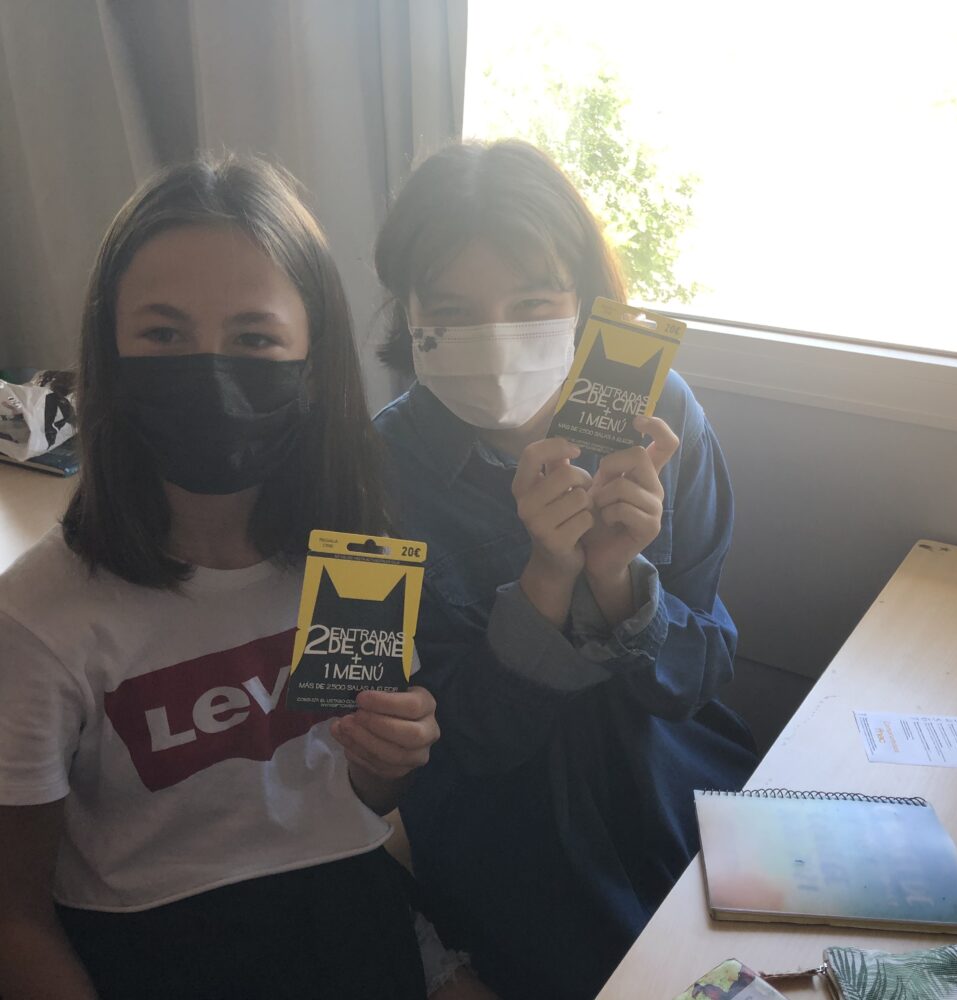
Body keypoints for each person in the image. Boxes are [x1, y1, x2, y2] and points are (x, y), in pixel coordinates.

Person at [0, 155, 441, 1000]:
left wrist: (394, 756)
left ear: (313, 359)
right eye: (164, 336)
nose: (210, 370)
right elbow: (13, 915)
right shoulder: (36, 621)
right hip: (147, 941)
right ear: (108, 350)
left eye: (254, 339)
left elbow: (362, 794)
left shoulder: (358, 563)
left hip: (344, 909)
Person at [372, 139, 759, 1000]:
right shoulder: (380, 474)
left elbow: (702, 672)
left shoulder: (662, 416)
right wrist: (548, 581)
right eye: (453, 312)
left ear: (583, 303)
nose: (496, 341)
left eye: (532, 305)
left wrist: (620, 583)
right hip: (511, 822)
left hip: (670, 769)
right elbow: (453, 745)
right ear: (408, 316)